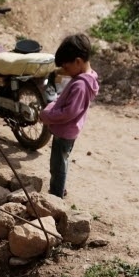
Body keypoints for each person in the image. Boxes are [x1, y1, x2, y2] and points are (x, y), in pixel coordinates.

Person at [39, 33, 100, 199]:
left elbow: (69, 112)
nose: (65, 71)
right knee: (61, 162)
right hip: (68, 130)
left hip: (64, 131)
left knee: (57, 166)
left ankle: (56, 196)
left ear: (78, 62)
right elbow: (64, 102)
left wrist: (48, 116)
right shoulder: (88, 77)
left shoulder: (80, 85)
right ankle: (60, 188)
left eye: (66, 67)